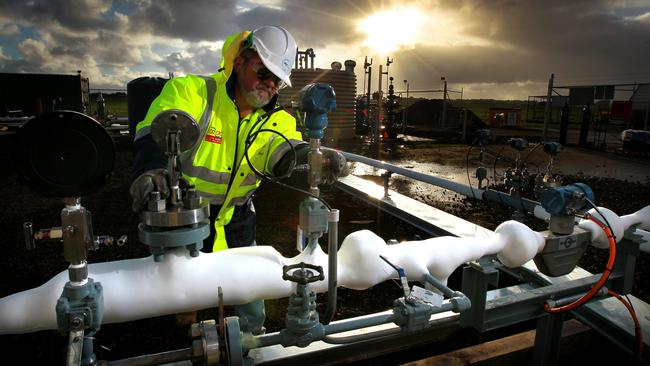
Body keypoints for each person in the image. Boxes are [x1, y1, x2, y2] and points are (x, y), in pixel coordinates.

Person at [129, 25, 347, 334]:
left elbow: (282, 150)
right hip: (187, 220)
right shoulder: (194, 92)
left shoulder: (277, 119)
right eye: (262, 72)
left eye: (276, 80)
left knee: (251, 304)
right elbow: (158, 129)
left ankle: (249, 342)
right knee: (185, 302)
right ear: (240, 61)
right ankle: (190, 339)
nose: (269, 84)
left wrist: (316, 156)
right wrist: (151, 170)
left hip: (237, 222)